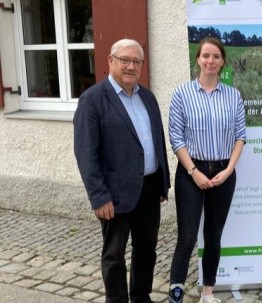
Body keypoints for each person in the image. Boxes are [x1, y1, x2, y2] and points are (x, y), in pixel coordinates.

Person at [74, 38, 170, 303]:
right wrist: (98, 196)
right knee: (114, 254)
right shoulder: (92, 100)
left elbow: (156, 141)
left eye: (136, 61)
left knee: (146, 249)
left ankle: (140, 296)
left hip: (149, 189)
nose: (131, 66)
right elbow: (85, 152)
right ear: (110, 61)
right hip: (114, 194)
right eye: (125, 60)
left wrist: (162, 182)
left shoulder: (147, 96)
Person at [167, 37, 246, 303]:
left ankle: (208, 294)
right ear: (197, 59)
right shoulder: (181, 94)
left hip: (224, 171)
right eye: (205, 56)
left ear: (223, 61)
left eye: (216, 56)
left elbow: (240, 136)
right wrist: (193, 171)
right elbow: (176, 137)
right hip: (191, 172)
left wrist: (229, 169)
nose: (210, 61)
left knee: (213, 234)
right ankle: (176, 292)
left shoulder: (233, 96)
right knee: (187, 236)